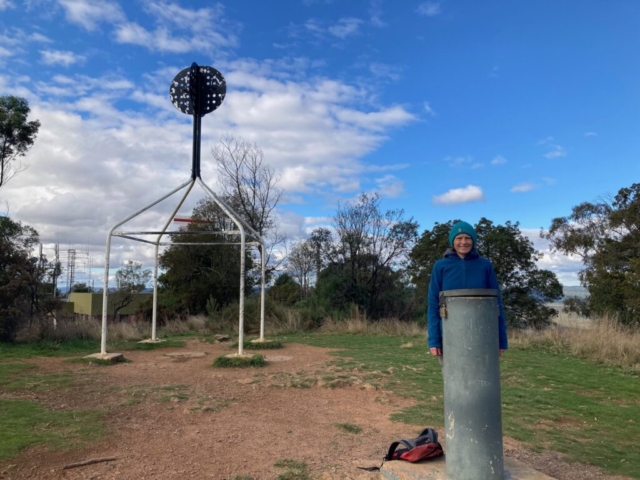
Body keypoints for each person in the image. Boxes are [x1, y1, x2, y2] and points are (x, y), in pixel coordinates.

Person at [427, 221, 508, 364]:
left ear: (473, 241)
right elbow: (433, 305)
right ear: (453, 241)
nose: (463, 242)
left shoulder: (485, 265)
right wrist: (434, 340)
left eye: (467, 238)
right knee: (453, 381)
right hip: (449, 337)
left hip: (482, 336)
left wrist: (501, 340)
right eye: (459, 238)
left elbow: (496, 305)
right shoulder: (440, 266)